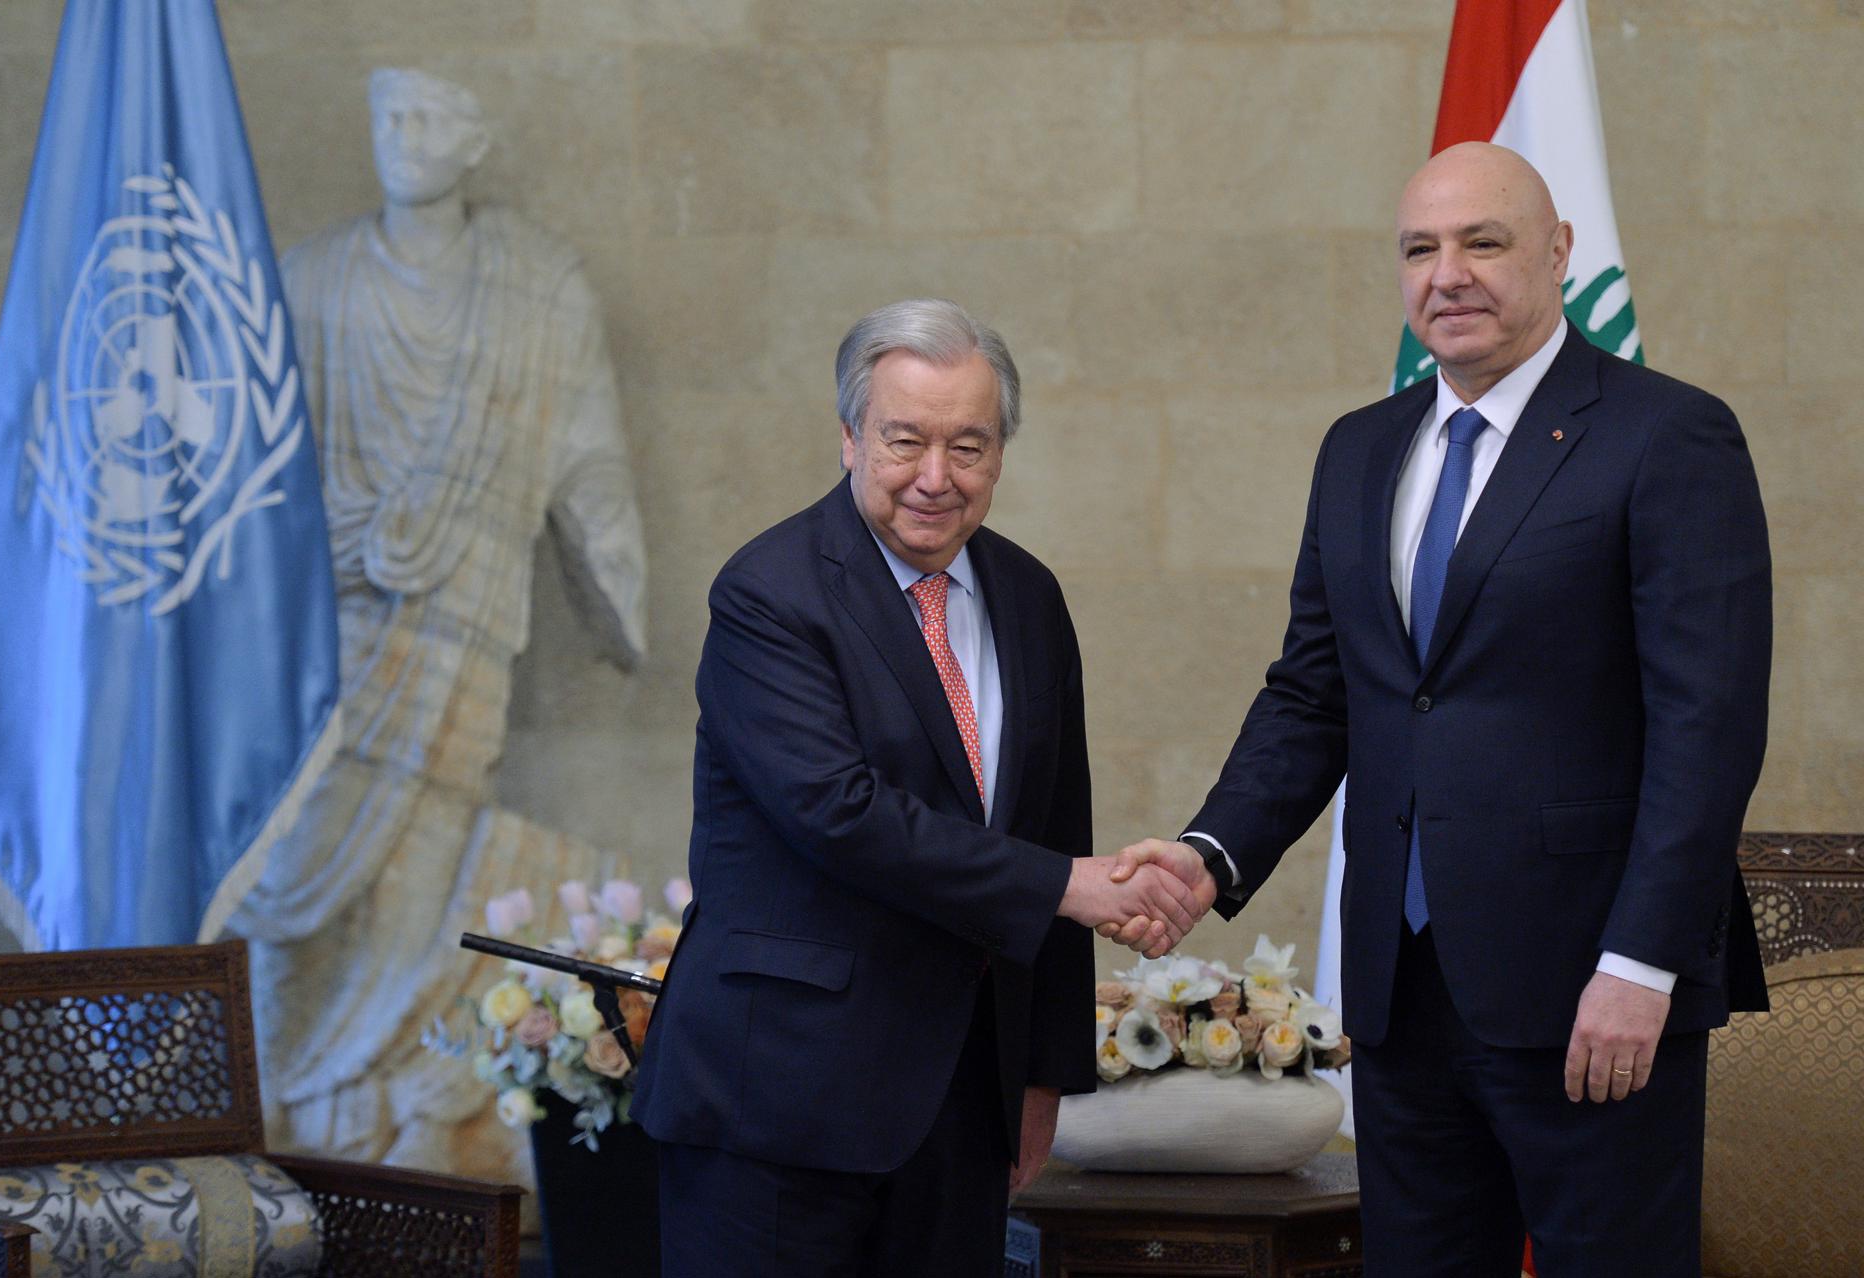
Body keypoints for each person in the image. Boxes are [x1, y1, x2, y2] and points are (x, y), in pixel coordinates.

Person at [1111, 143, 1771, 1276]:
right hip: (1401, 990)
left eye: (1484, 241)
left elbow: (1707, 727)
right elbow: (1316, 693)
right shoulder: (1362, 449)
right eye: (1421, 248)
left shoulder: (1668, 435)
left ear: (1559, 254)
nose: (1447, 273)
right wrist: (1210, 854)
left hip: (1591, 993)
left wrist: (1644, 963)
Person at [632, 299, 1202, 1275]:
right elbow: (839, 814)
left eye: (969, 447)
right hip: (777, 1110)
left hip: (961, 1111)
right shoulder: (769, 594)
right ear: (850, 437)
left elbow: (1058, 819)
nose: (936, 479)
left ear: (1002, 452)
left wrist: (1043, 1076)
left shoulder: (1028, 598)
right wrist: (1071, 883)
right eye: (906, 441)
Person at [226, 68, 646, 1178]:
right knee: (290, 882)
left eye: (431, 119)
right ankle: (279, 1104)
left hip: (460, 625)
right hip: (319, 645)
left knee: (418, 853)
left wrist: (616, 586)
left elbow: (590, 455)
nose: (405, 138)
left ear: (474, 144)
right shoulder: (311, 279)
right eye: (389, 119)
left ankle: (375, 1106)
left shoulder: (537, 287)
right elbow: (247, 469)